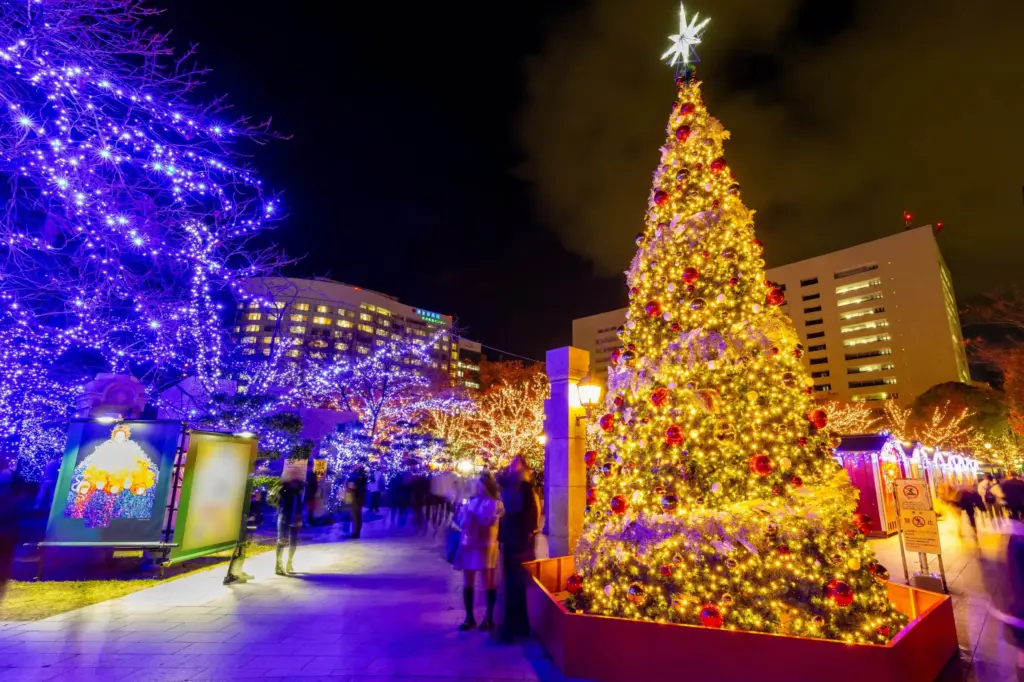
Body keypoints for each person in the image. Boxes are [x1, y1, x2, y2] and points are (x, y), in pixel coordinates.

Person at [454, 471, 504, 631]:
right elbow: (461, 521)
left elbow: (491, 522)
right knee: (468, 579)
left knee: (487, 579)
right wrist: (462, 515)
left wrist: (474, 518)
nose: (479, 487)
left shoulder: (496, 503)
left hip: (485, 545)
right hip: (469, 544)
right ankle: (469, 617)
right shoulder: (472, 501)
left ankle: (489, 617)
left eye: (481, 484)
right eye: (477, 484)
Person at [498, 455, 540, 642]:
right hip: (509, 536)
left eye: (517, 463)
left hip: (519, 538)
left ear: (524, 467)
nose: (513, 465)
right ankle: (516, 625)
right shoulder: (508, 485)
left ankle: (515, 627)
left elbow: (530, 516)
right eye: (512, 462)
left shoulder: (525, 487)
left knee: (515, 583)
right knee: (510, 583)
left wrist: (526, 541)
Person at [276, 456, 307, 575]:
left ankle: (289, 562)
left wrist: (300, 517)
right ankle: (278, 565)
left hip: (295, 516)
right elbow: (280, 500)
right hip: (284, 515)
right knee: (282, 540)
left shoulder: (300, 487)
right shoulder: (283, 487)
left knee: (293, 540)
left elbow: (300, 502)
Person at [345, 464, 369, 538]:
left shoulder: (356, 475)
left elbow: (352, 485)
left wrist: (349, 487)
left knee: (355, 514)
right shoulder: (362, 476)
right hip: (358, 495)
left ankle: (355, 533)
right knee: (356, 514)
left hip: (355, 495)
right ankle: (355, 532)